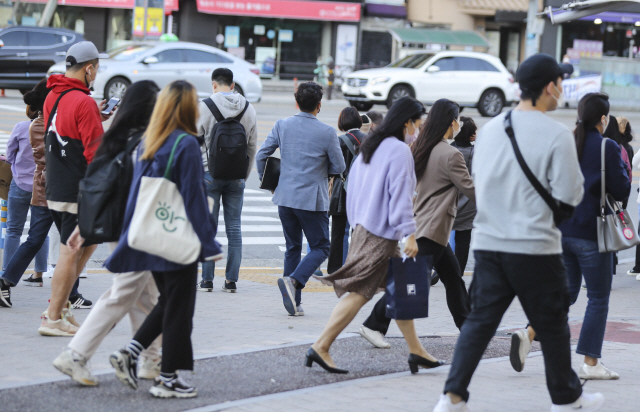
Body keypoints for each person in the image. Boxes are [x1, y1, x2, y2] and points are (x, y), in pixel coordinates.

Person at [434, 54, 603, 412]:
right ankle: (565, 398)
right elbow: (572, 194)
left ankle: (451, 398)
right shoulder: (557, 134)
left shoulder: (493, 129)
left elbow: (479, 183)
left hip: (489, 244)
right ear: (548, 88)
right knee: (554, 324)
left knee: (478, 324)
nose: (561, 88)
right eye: (560, 81)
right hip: (536, 247)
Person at [105, 80, 223, 398]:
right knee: (180, 308)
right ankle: (167, 378)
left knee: (169, 302)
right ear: (187, 107)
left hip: (152, 236)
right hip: (178, 239)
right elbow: (194, 198)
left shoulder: (151, 139)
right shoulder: (185, 143)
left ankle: (130, 352)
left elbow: (136, 194)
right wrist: (209, 243)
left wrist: (131, 234)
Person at [309, 96, 443, 374]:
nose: (417, 131)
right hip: (381, 235)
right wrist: (410, 234)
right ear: (407, 122)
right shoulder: (399, 151)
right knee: (360, 293)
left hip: (365, 228)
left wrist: (359, 223)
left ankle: (417, 351)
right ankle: (321, 346)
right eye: (417, 124)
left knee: (402, 292)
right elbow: (401, 197)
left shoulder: (372, 146)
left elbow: (352, 190)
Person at [510, 93, 628, 386]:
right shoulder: (607, 146)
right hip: (591, 232)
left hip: (560, 232)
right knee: (598, 297)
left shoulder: (565, 141)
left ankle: (528, 334)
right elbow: (622, 189)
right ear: (604, 119)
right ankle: (590, 362)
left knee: (567, 293)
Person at [52, 80, 163, 386]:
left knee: (146, 296)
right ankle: (75, 354)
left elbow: (99, 186)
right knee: (123, 294)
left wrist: (83, 227)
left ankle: (152, 360)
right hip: (138, 230)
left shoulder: (117, 138)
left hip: (121, 228)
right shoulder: (145, 142)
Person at [359, 99, 473, 350]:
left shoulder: (420, 146)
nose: (459, 124)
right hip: (433, 228)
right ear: (451, 122)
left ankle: (469, 327)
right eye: (458, 119)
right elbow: (470, 189)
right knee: (408, 282)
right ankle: (373, 324)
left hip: (426, 225)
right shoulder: (451, 154)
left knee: (453, 278)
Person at [38, 41, 111, 336]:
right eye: (97, 68)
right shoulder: (84, 102)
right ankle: (53, 316)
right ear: (89, 68)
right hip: (77, 189)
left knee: (88, 241)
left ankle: (62, 308)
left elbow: (63, 129)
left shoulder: (54, 95)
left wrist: (97, 117)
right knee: (72, 249)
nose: (97, 73)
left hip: (56, 185)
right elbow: (95, 152)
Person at [256, 82, 345, 317]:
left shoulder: (282, 125)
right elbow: (339, 166)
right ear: (319, 105)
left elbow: (262, 155)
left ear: (297, 102)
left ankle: (294, 301)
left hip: (285, 197)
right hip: (312, 200)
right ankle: (294, 281)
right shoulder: (327, 132)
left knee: (292, 247)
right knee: (321, 246)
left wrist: (270, 184)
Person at [196, 68, 258, 294]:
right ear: (232, 85)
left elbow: (195, 142)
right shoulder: (249, 108)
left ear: (214, 85)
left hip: (209, 175)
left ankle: (206, 280)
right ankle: (231, 281)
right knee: (234, 228)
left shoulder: (204, 106)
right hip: (236, 177)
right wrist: (244, 174)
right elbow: (251, 146)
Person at [0, 89, 50, 308]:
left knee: (13, 230)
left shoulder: (22, 127)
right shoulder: (52, 128)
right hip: (43, 186)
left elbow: (10, 156)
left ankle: (7, 274)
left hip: (20, 185)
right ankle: (39, 274)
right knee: (41, 231)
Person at [327, 107, 365, 274]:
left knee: (339, 233)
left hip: (342, 193)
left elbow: (332, 168)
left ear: (342, 122)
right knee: (360, 234)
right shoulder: (371, 140)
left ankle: (337, 269)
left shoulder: (339, 141)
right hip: (364, 193)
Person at [450, 116, 477, 273]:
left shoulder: (450, 150)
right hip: (469, 203)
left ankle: (436, 269)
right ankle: (458, 272)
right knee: (463, 240)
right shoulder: (476, 152)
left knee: (439, 238)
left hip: (449, 201)